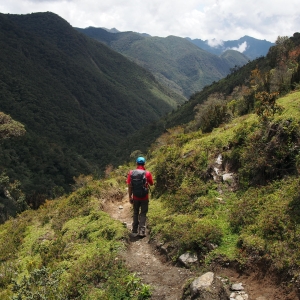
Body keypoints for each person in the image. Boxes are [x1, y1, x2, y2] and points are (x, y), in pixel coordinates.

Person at [127, 156, 154, 237]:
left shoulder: (131, 173)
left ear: (136, 163)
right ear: (144, 163)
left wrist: (130, 196)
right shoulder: (147, 173)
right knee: (143, 213)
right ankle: (142, 231)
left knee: (135, 212)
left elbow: (129, 185)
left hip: (135, 197)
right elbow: (152, 183)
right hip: (145, 197)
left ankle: (134, 230)